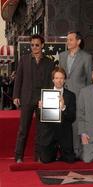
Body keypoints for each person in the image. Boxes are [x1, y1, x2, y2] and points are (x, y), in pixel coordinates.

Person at [13, 34, 55, 163]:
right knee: (23, 129)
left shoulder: (49, 62)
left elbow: (50, 83)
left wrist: (48, 99)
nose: (34, 47)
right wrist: (16, 96)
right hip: (26, 99)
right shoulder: (24, 60)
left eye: (37, 45)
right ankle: (18, 156)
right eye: (32, 45)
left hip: (42, 101)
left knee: (41, 130)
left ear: (42, 45)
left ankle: (38, 157)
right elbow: (18, 79)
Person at [59, 31, 93, 158]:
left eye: (70, 40)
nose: (67, 42)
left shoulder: (86, 57)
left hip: (79, 96)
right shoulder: (62, 56)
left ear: (78, 41)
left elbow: (89, 80)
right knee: (62, 121)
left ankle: (77, 152)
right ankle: (64, 150)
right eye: (67, 39)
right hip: (63, 95)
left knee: (76, 123)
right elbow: (60, 75)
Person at [38, 67, 76, 163]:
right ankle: (53, 151)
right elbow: (40, 119)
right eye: (57, 78)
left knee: (70, 160)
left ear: (65, 80)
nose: (59, 80)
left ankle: (63, 151)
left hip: (64, 131)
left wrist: (63, 107)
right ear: (53, 80)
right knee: (45, 160)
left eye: (61, 78)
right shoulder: (45, 94)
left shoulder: (71, 95)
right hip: (50, 131)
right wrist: (41, 109)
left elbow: (72, 117)